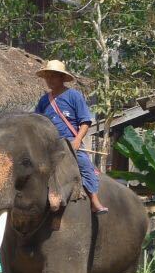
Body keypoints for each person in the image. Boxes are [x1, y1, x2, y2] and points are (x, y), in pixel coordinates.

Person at [34, 60, 108, 214]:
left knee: (85, 165)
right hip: (49, 145)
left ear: (62, 78)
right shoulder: (43, 101)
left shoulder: (74, 96)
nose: (49, 80)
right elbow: (37, 123)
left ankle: (94, 201)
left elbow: (85, 122)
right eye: (47, 76)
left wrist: (77, 141)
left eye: (53, 76)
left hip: (69, 143)